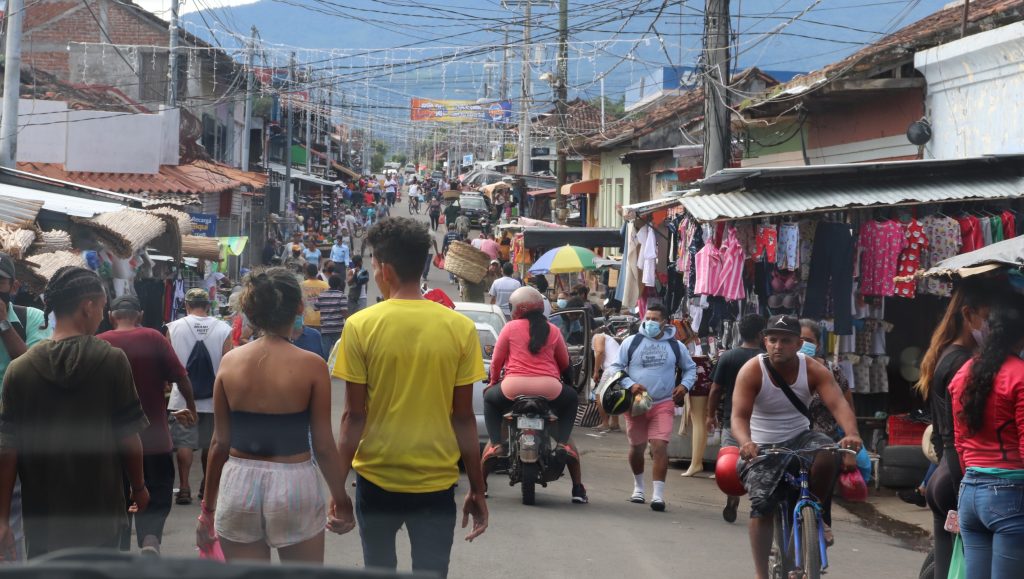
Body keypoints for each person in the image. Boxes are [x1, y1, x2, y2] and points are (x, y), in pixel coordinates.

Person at [332, 217, 488, 578]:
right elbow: (463, 418)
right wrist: (477, 488)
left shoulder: (360, 326)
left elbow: (353, 417)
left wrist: (338, 490)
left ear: (384, 269)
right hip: (435, 485)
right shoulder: (459, 327)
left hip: (375, 482)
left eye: (373, 265)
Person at [198, 268, 354, 563]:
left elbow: (219, 443)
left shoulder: (230, 362)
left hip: (238, 485)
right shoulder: (311, 365)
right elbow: (323, 445)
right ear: (298, 308)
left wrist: (207, 510)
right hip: (294, 487)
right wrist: (341, 498)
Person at [0, 267, 149, 558]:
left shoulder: (19, 370)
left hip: (44, 519)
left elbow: (8, 450)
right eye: (102, 307)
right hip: (102, 515)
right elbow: (129, 437)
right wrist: (140, 487)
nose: (101, 315)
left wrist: (3, 520)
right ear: (88, 306)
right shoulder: (111, 360)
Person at [730, 315, 862, 579]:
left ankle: (817, 512)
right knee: (762, 505)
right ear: (764, 341)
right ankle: (761, 574)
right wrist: (745, 443)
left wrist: (852, 434)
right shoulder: (752, 370)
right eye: (773, 340)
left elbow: (838, 404)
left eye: (786, 340)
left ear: (798, 343)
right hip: (762, 445)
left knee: (827, 452)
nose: (778, 346)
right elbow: (739, 416)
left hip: (801, 438)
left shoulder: (813, 369)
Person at [97, 295, 196, 556]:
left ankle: (118, 549)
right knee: (158, 490)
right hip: (154, 439)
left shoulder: (100, 343)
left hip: (112, 442)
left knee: (118, 494)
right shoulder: (154, 338)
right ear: (139, 315)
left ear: (110, 316)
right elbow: (182, 378)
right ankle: (150, 540)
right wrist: (192, 410)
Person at [914, 278, 992, 579]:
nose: (993, 327)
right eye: (989, 319)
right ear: (968, 314)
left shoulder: (948, 352)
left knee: (949, 570)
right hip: (958, 476)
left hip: (946, 474)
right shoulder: (964, 364)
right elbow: (963, 435)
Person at [481, 286, 588, 504]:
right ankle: (563, 446)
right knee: (571, 399)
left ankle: (496, 445)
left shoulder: (510, 328)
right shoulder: (554, 330)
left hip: (513, 388)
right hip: (549, 389)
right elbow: (565, 364)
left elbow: (497, 362)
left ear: (518, 309)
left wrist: (492, 383)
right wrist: (569, 384)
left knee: (489, 399)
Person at [947, 292, 1024, 579]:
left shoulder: (964, 372)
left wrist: (973, 476)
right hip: (1010, 494)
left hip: (971, 493)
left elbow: (959, 441)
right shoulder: (1020, 375)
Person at [609, 303, 697, 511]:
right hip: (636, 403)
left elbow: (690, 369)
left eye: (655, 319)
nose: (649, 322)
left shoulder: (676, 346)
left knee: (659, 446)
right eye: (647, 318)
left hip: (663, 403)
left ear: (665, 322)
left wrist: (684, 386)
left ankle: (658, 495)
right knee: (637, 447)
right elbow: (615, 367)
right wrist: (631, 385)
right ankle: (638, 488)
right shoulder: (631, 342)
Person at [0, 253, 50, 561]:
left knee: (15, 506)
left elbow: (35, 368)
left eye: (0, 282)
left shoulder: (32, 317)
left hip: (19, 428)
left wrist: (4, 324)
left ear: (14, 286)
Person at [166, 288, 233, 506]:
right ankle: (206, 486)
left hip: (182, 398)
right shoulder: (224, 329)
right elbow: (227, 363)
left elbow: (167, 364)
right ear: (208, 305)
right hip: (213, 398)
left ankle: (184, 487)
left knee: (184, 442)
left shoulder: (172, 328)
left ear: (186, 305)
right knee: (210, 444)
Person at [706, 314, 765, 523]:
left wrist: (709, 415)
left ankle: (732, 498)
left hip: (733, 419)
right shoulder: (766, 359)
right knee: (761, 463)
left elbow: (715, 390)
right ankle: (760, 501)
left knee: (732, 464)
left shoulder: (728, 357)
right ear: (761, 334)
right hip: (762, 422)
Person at [314, 275, 348, 358]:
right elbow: (344, 311)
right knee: (339, 353)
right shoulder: (341, 295)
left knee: (324, 353)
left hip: (325, 328)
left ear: (329, 284)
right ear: (339, 284)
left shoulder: (322, 295)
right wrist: (348, 321)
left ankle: (324, 368)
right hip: (338, 328)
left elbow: (315, 308)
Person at [301, 264, 329, 335]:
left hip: (306, 319)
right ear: (317, 272)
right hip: (321, 319)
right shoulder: (325, 285)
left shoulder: (301, 285)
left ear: (306, 273)